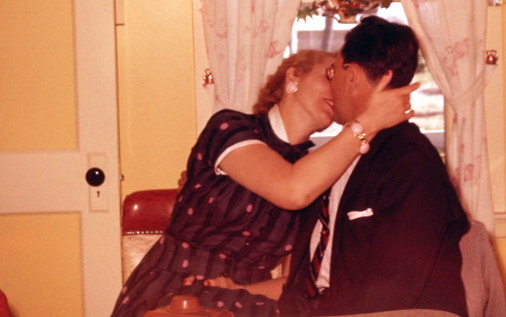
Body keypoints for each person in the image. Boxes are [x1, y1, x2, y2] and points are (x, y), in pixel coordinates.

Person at [110, 49, 416, 317]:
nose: (336, 88)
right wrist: (367, 123)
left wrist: (245, 287)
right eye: (329, 75)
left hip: (248, 299)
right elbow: (292, 190)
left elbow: (297, 278)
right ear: (293, 77)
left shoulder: (319, 167)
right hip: (175, 290)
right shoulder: (230, 127)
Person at [279, 17, 471, 316]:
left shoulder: (409, 162)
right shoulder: (344, 153)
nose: (331, 82)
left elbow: (394, 288)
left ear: (352, 77)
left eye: (334, 71)